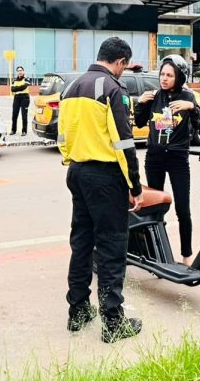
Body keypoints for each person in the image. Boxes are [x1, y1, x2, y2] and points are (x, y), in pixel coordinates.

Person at [58, 37, 144, 343]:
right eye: (124, 66)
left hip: (77, 171)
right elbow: (124, 142)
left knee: (81, 243)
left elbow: (63, 135)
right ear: (120, 61)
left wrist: (72, 161)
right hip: (105, 176)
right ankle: (113, 322)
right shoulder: (113, 89)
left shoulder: (71, 87)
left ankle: (78, 311)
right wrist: (134, 185)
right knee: (111, 247)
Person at [135, 54, 200, 266]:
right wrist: (140, 103)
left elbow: (199, 123)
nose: (164, 79)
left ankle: (186, 256)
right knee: (154, 208)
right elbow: (138, 123)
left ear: (179, 76)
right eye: (162, 74)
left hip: (178, 159)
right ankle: (155, 255)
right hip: (154, 158)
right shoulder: (154, 96)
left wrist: (192, 108)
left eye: (169, 75)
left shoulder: (188, 97)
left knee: (183, 208)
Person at [10, 66, 30, 136]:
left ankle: (24, 131)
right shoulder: (14, 80)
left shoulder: (27, 78)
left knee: (24, 115)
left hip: (25, 98)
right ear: (17, 72)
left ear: (23, 71)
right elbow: (12, 89)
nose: (20, 72)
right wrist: (19, 88)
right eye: (18, 70)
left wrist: (16, 88)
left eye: (21, 70)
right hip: (16, 98)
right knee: (14, 115)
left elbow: (24, 87)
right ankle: (13, 130)